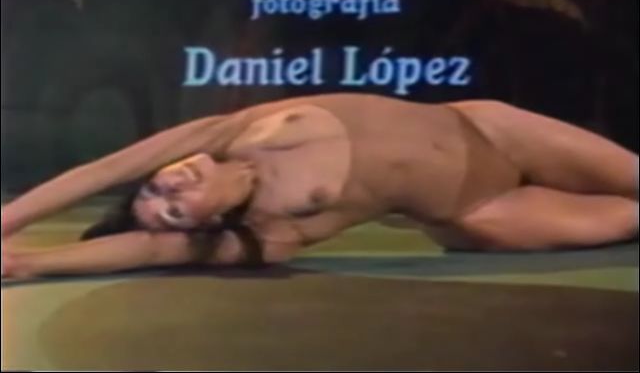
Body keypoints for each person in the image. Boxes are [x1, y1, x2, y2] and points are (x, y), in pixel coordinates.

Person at [2, 93, 638, 279]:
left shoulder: (230, 130)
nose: (167, 187)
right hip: (485, 208)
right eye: (173, 209)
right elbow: (148, 250)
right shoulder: (272, 231)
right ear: (203, 227)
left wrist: (7, 222)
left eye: (152, 190)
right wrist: (27, 264)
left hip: (491, 128)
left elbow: (100, 172)